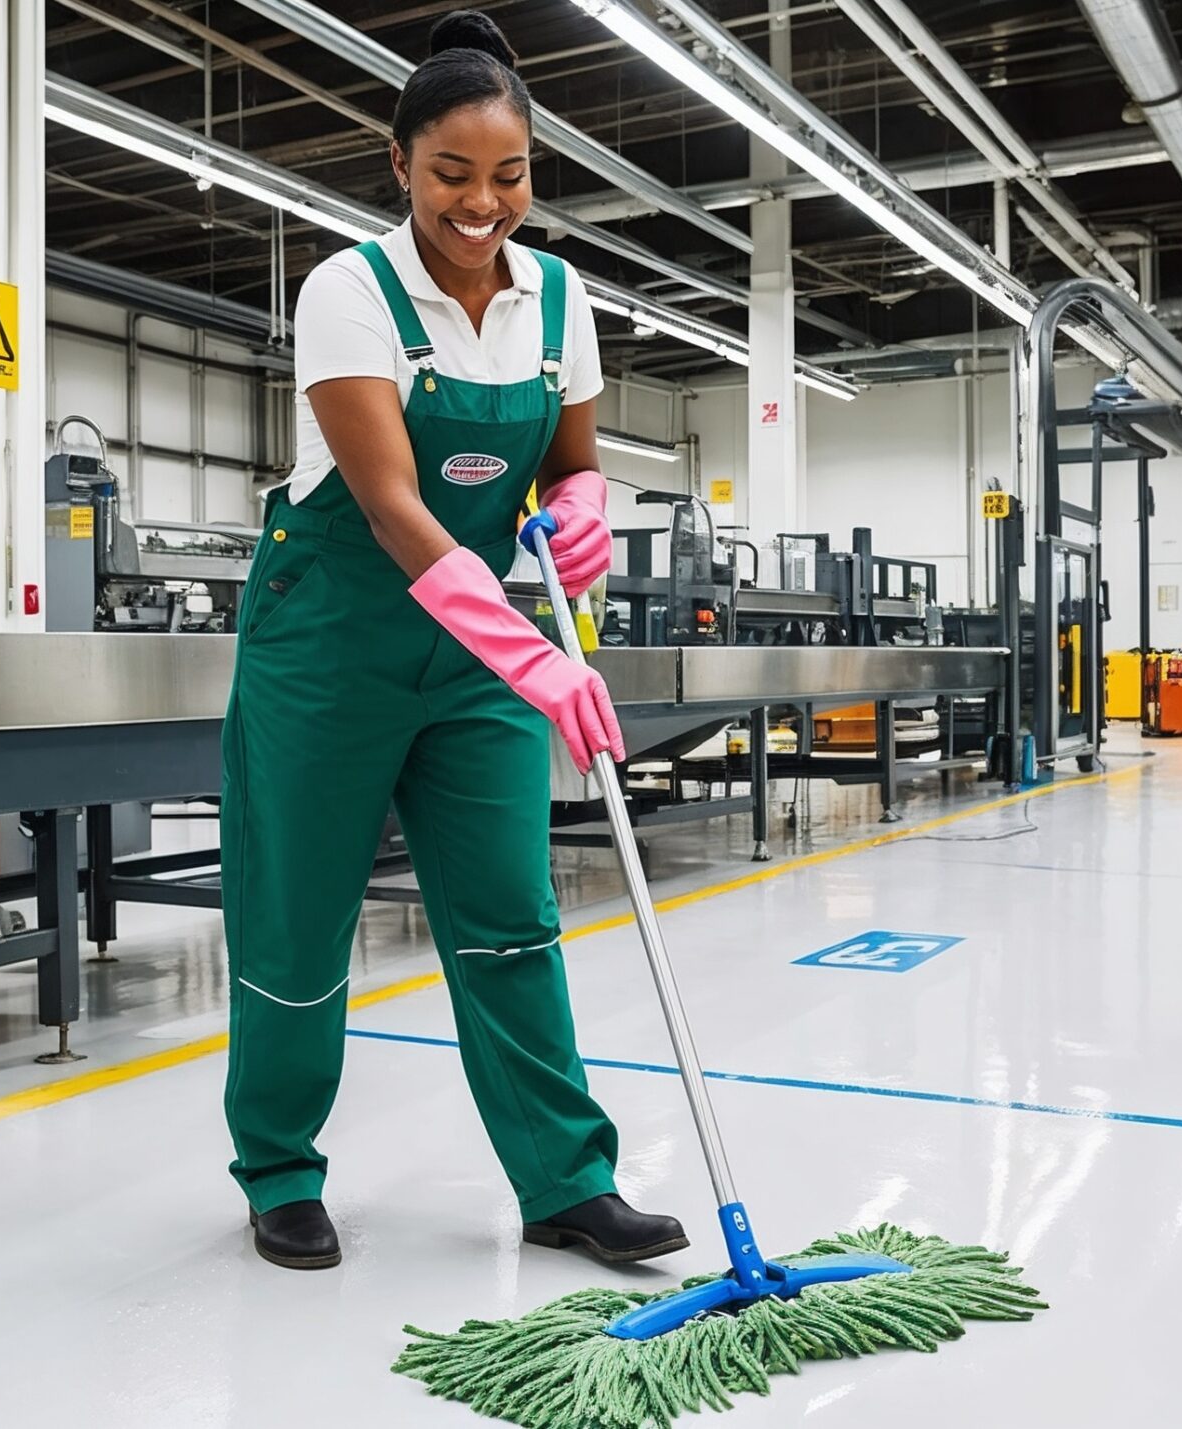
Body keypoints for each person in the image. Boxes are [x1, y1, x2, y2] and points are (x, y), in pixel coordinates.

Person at [219, 10, 688, 1272]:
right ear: (399, 163)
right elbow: (391, 506)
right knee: (298, 920)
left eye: (510, 176)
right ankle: (278, 1168)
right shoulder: (346, 292)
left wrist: (583, 513)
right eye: (452, 175)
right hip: (329, 650)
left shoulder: (559, 297)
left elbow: (571, 462)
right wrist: (536, 656)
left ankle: (564, 1179)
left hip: (472, 655)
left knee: (508, 915)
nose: (483, 205)